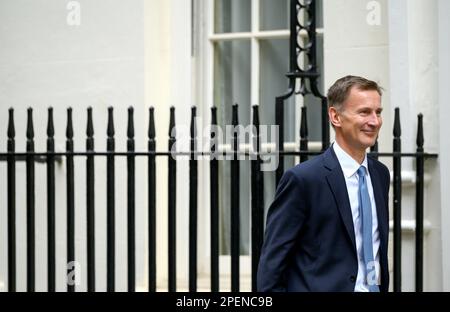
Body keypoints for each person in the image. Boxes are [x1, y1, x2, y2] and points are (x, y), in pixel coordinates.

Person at [257, 75, 390, 292]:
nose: (375, 121)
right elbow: (272, 265)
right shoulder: (303, 179)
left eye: (378, 112)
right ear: (335, 117)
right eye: (364, 112)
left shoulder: (380, 175)